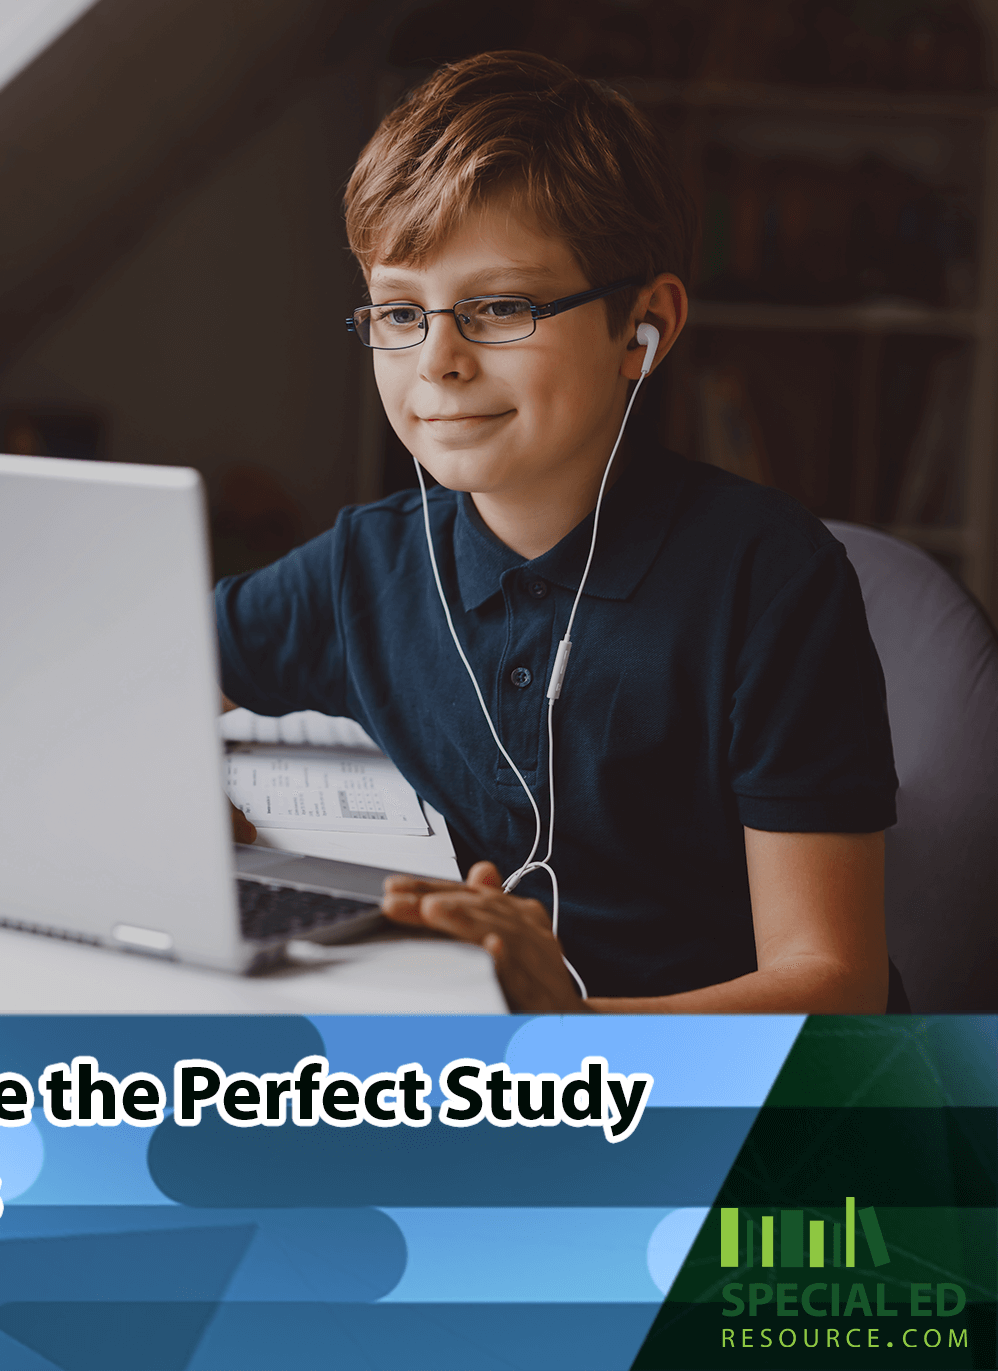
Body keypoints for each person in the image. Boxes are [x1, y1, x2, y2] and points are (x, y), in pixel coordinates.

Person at [216, 51, 900, 1013]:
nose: (438, 360)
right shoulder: (364, 564)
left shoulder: (768, 582)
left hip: (719, 1105)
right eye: (400, 312)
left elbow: (835, 985)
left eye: (499, 307)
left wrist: (569, 1034)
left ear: (643, 330)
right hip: (478, 1074)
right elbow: (136, 687)